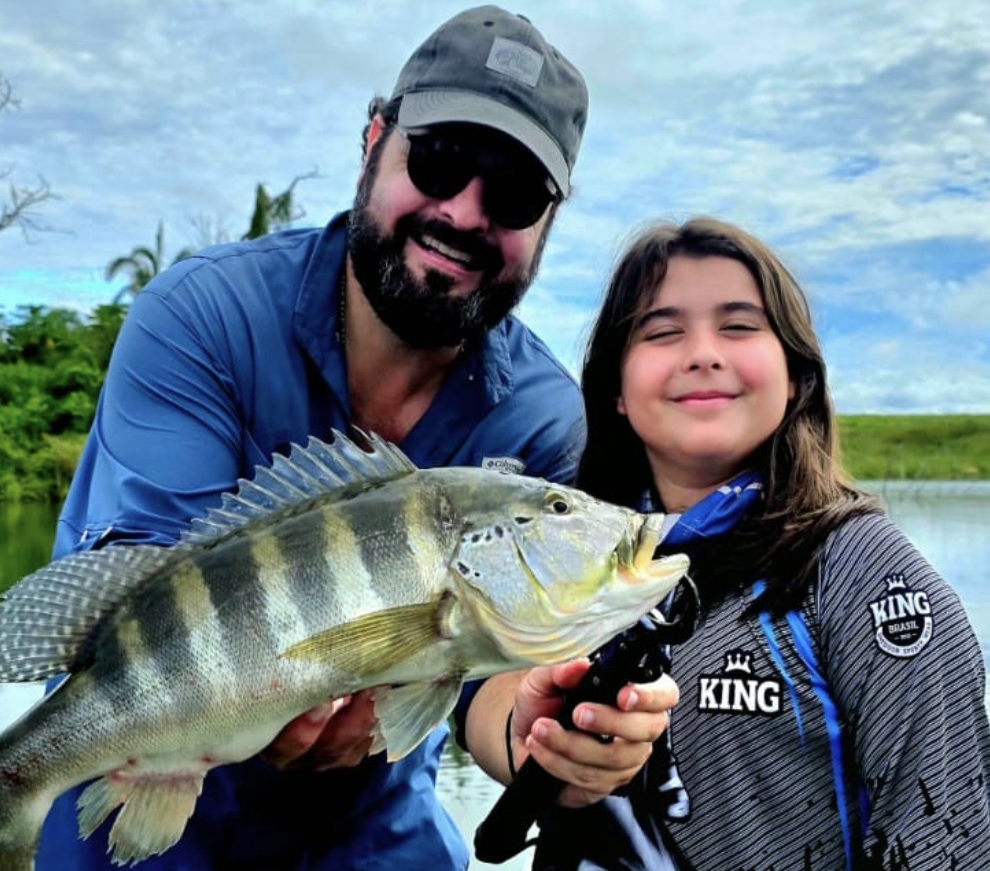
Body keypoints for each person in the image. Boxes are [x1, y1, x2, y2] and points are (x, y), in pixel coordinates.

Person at [34, 7, 678, 870]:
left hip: (369, 805)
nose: (464, 211)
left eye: (517, 194)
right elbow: (140, 600)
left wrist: (536, 728)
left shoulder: (538, 414)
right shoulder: (203, 316)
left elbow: (484, 682)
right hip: (136, 768)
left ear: (549, 221)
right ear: (375, 138)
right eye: (441, 159)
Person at [478, 215, 990, 869]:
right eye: (662, 331)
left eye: (740, 325)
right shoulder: (571, 559)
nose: (702, 352)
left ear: (796, 377)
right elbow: (487, 698)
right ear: (614, 388)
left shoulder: (867, 573)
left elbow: (947, 836)